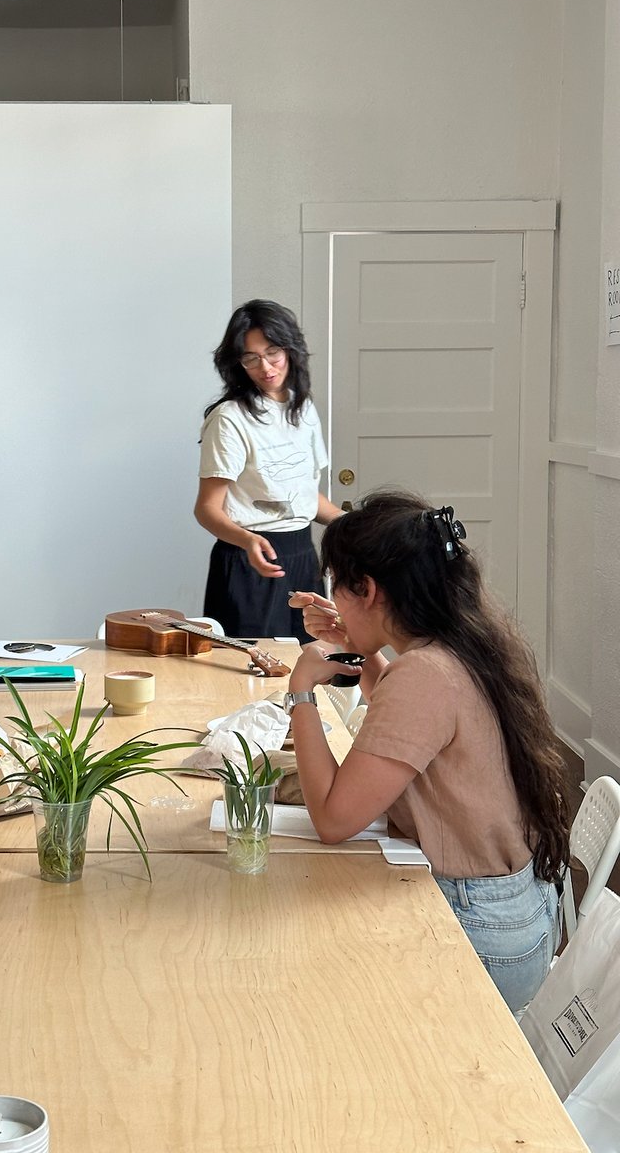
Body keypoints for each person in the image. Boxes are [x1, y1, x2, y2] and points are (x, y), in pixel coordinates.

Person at [285, 491, 569, 1013]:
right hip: (515, 911)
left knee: (303, 977)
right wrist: (357, 649)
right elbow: (410, 719)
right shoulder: (466, 643)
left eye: (338, 590)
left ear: (366, 589)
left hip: (479, 930)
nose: (337, 603)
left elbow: (331, 819)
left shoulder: (425, 674)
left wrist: (301, 689)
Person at [195, 299, 343, 640]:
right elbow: (206, 509)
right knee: (252, 672)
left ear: (290, 350)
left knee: (314, 659)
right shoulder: (230, 418)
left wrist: (354, 526)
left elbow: (304, 495)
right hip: (249, 560)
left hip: (303, 555)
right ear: (238, 363)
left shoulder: (302, 409)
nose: (266, 367)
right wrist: (248, 541)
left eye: (273, 352)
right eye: (251, 358)